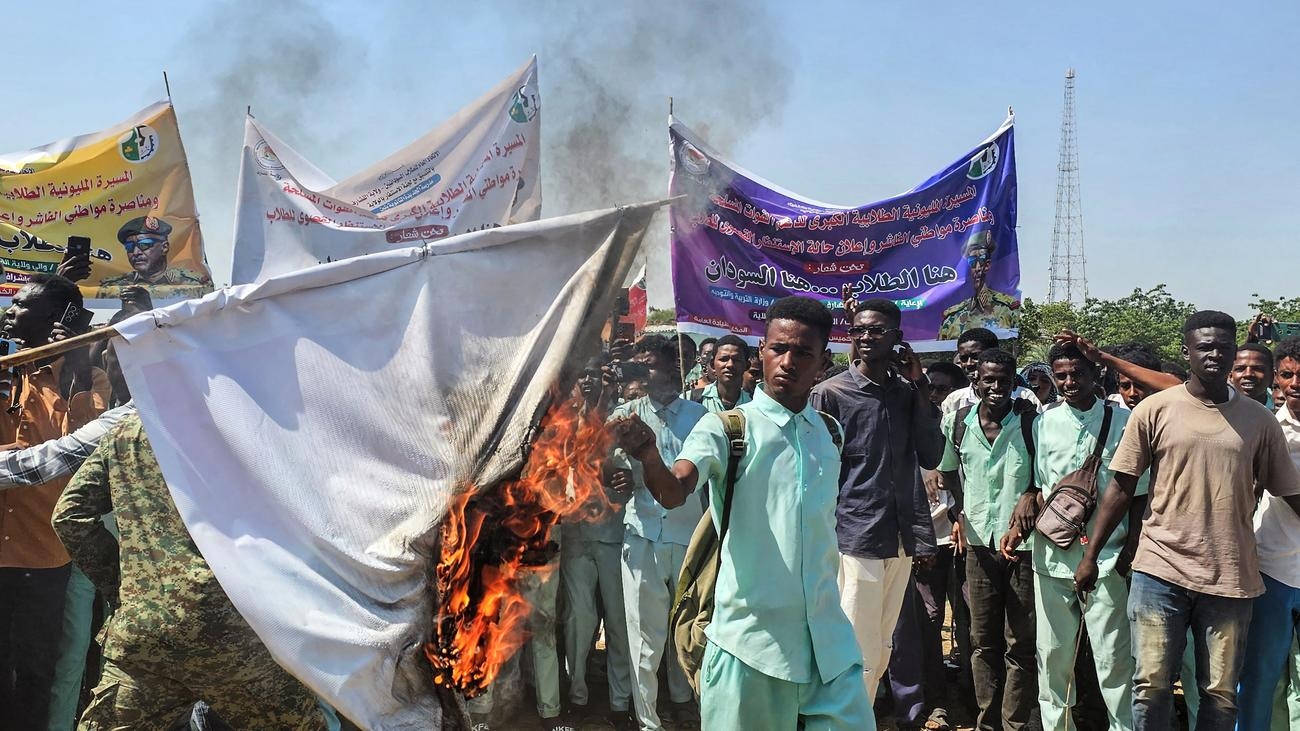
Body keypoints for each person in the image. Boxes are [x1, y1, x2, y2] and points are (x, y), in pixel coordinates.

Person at [610, 296, 873, 730]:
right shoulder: (727, 428)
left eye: (802, 353)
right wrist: (649, 456)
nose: (787, 362)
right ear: (761, 352)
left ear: (823, 361)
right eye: (778, 349)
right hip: (750, 648)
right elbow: (675, 491)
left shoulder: (830, 433)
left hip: (828, 649)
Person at [1074, 311, 1300, 731]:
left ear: (1233, 353)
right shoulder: (1154, 409)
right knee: (1152, 685)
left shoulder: (1260, 420)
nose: (1214, 354)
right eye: (1204, 347)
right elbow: (1121, 487)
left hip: (1230, 576)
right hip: (1159, 571)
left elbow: (1288, 490)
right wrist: (1090, 557)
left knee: (1220, 692)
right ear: (1187, 352)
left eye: (1223, 347)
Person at [810, 298, 942, 704]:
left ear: (897, 338)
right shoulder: (830, 394)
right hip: (855, 534)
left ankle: (858, 716)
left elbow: (932, 455)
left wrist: (920, 387)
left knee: (883, 643)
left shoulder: (906, 393)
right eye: (859, 330)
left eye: (876, 330)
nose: (866, 337)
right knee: (855, 643)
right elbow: (814, 473)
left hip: (901, 534)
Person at [0, 273, 110, 730]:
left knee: (34, 671)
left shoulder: (89, 378)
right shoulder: (6, 367)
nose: (10, 311)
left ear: (52, 319)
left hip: (41, 555)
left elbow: (83, 454)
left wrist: (78, 368)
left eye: (22, 306)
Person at [1029, 342, 1147, 731]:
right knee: (1053, 656)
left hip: (1108, 561)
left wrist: (1128, 551)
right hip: (1051, 558)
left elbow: (1138, 494)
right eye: (1061, 375)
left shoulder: (1126, 422)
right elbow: (1042, 487)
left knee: (1114, 659)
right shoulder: (1043, 423)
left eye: (1077, 373)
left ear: (1096, 374)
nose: (1068, 382)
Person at [605, 335, 707, 731]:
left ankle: (684, 702)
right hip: (642, 536)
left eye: (650, 365)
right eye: (639, 366)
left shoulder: (699, 417)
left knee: (686, 630)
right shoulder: (626, 415)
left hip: (688, 538)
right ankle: (648, 720)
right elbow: (603, 465)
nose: (644, 374)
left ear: (671, 366)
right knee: (643, 636)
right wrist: (615, 475)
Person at [939, 348, 1038, 731]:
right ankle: (987, 723)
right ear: (976, 381)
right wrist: (960, 512)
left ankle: (1015, 724)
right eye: (989, 380)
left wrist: (1030, 494)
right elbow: (949, 471)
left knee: (1020, 642)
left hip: (1022, 548)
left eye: (1003, 380)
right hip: (978, 545)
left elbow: (1044, 477)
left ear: (1014, 383)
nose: (996, 387)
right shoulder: (957, 423)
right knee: (982, 640)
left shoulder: (1031, 423)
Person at [560, 359, 634, 729]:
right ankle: (577, 696)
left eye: (595, 374)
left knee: (619, 621)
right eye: (583, 374)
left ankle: (620, 702)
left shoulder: (623, 418)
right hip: (575, 534)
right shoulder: (561, 420)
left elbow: (631, 472)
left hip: (613, 535)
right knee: (579, 619)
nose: (588, 380)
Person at [1237, 336, 1300, 729]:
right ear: (1277, 378)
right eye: (1288, 375)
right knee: (1260, 680)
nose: (1296, 384)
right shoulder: (1266, 429)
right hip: (1271, 571)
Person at [914, 361, 972, 729]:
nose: (934, 396)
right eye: (928, 388)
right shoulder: (910, 431)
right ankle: (934, 700)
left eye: (941, 389)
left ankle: (970, 691)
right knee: (929, 619)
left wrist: (959, 516)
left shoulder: (966, 430)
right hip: (925, 544)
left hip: (963, 540)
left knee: (969, 618)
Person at [97, 216, 212, 298]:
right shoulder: (111, 287)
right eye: (130, 247)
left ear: (164, 247)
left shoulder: (195, 283)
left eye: (144, 245)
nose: (136, 252)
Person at [937, 232, 1019, 340]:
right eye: (972, 261)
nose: (978, 267)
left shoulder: (1008, 309)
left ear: (987, 265)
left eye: (981, 260)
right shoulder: (952, 318)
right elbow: (941, 349)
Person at [942, 328, 1040, 414]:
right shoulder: (953, 401)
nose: (969, 364)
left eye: (976, 357)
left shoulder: (1025, 397)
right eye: (963, 359)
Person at [687, 335, 751, 413]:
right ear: (712, 364)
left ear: (746, 365)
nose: (730, 365)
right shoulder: (690, 399)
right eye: (723, 359)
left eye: (736, 360)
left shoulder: (754, 403)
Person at [1231, 342, 1275, 407]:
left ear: (1272, 376)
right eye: (1240, 369)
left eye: (1257, 369)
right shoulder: (1219, 408)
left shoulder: (1282, 409)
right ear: (1230, 376)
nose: (1248, 374)